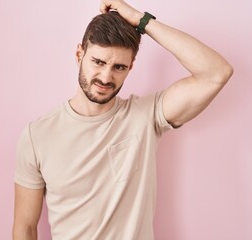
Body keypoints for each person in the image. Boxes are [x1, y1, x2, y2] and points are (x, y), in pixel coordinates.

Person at [12, 0, 234, 239]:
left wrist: (141, 20)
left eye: (119, 67)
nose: (106, 77)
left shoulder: (145, 116)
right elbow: (25, 227)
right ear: (79, 54)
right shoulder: (38, 135)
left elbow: (216, 73)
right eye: (98, 62)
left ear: (131, 67)